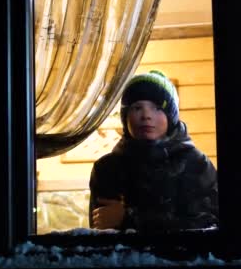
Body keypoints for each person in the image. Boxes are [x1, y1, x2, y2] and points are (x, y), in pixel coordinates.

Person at [88, 70, 218, 233]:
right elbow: (101, 228)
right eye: (137, 108)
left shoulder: (196, 164)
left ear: (171, 116)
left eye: (157, 108)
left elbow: (210, 226)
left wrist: (130, 219)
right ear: (125, 117)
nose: (146, 115)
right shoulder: (107, 169)